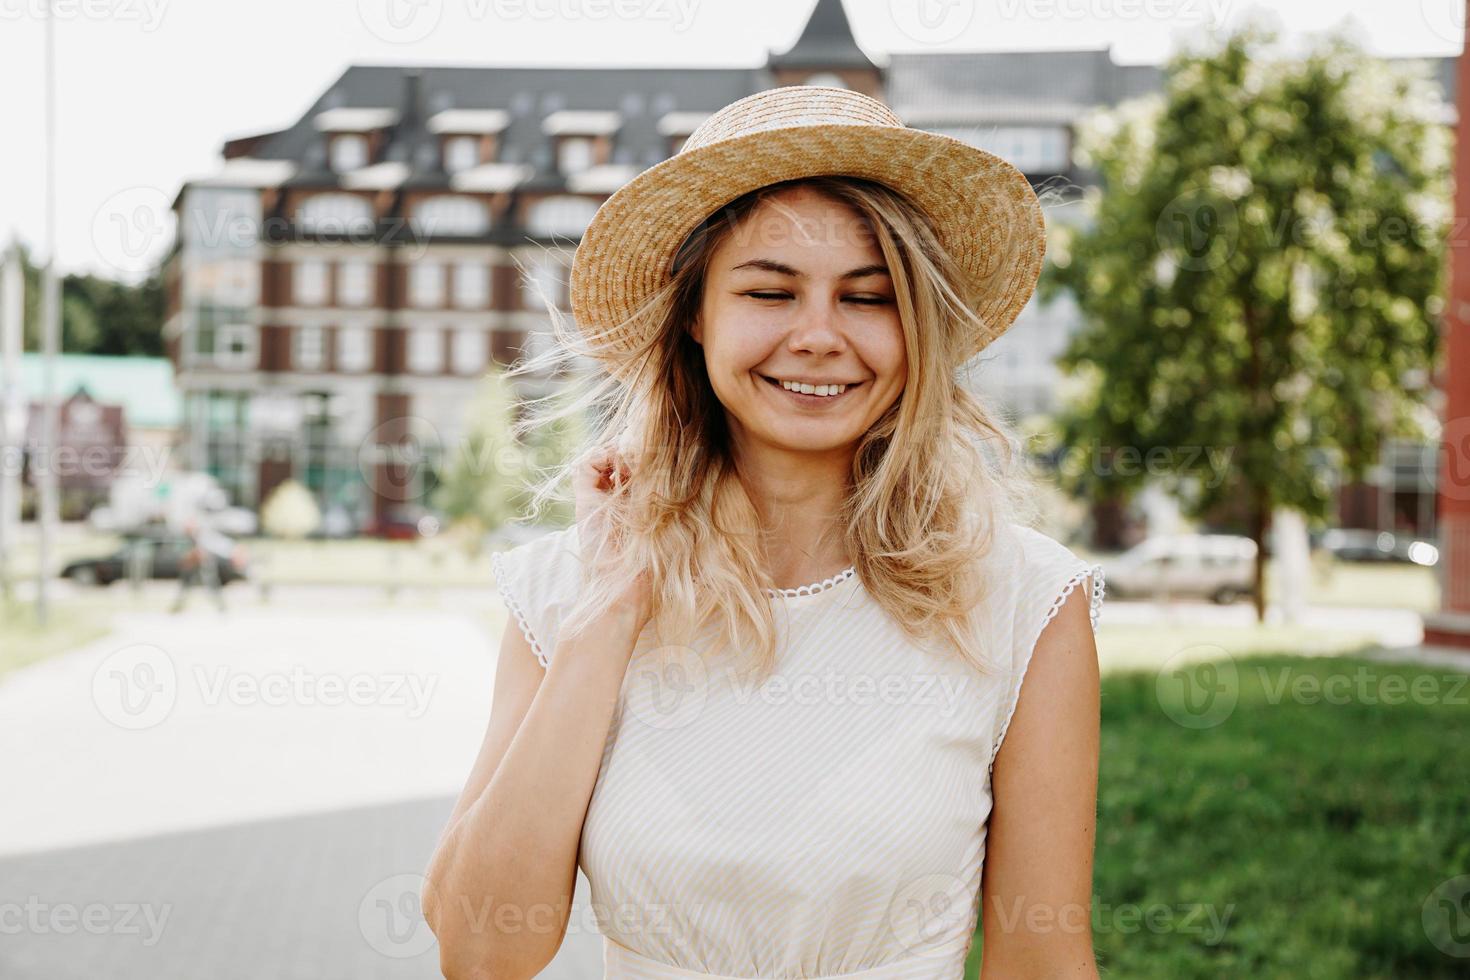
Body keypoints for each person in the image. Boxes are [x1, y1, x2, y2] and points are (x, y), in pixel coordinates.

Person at [423, 86, 1106, 979]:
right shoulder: (569, 590)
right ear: (696, 317)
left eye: (867, 298)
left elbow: (1042, 958)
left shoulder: (1023, 601)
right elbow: (481, 952)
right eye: (770, 290)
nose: (818, 336)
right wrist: (608, 616)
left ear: (919, 329)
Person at [170, 514, 233, 613]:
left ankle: (221, 607)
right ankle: (177, 607)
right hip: (191, 567)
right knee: (185, 587)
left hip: (204, 566)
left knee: (211, 585)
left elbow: (211, 548)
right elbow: (183, 556)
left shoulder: (202, 535)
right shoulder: (185, 539)